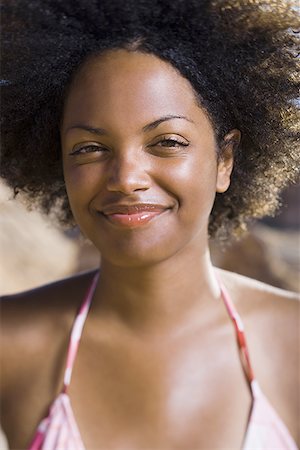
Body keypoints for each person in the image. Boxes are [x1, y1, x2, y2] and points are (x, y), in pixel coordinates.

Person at [0, 1, 299, 449]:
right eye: (89, 148)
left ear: (225, 160)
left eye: (167, 142)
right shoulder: (11, 345)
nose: (125, 177)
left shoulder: (292, 343)